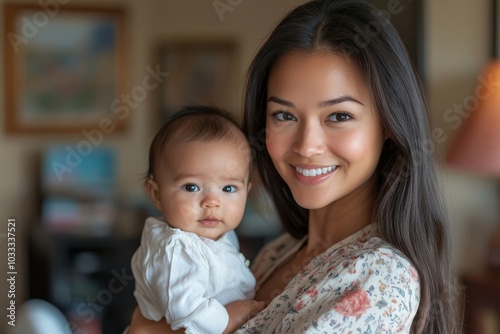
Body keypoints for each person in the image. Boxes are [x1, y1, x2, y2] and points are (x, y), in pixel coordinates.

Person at [128, 0, 461, 333]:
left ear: (389, 124)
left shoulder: (378, 277)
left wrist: (148, 329)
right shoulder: (281, 250)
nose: (306, 146)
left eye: (339, 116)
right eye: (284, 116)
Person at [130, 105, 266, 334]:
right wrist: (228, 319)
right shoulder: (175, 250)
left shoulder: (220, 236)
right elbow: (185, 308)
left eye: (229, 188)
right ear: (156, 194)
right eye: (191, 187)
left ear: (247, 191)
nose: (212, 202)